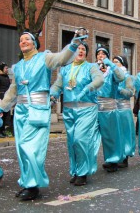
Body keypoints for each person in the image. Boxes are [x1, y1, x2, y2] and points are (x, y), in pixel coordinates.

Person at [0, 31, 81, 200]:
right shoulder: (17, 67)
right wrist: (0, 109)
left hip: (38, 110)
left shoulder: (44, 58)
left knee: (30, 148)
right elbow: (13, 92)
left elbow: (62, 58)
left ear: (34, 43)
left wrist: (74, 44)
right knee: (22, 149)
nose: (23, 41)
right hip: (20, 112)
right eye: (20, 40)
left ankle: (33, 185)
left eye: (27, 39)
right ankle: (28, 183)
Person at [51, 41, 103, 186]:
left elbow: (100, 79)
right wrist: (53, 94)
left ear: (86, 53)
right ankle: (75, 170)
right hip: (69, 109)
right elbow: (58, 85)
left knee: (80, 139)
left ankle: (83, 172)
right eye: (78, 49)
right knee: (72, 141)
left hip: (87, 108)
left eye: (83, 49)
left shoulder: (91, 67)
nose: (80, 51)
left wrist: (88, 88)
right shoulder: (65, 70)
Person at [96, 46, 125, 172]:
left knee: (110, 135)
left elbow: (121, 77)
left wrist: (111, 65)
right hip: (93, 106)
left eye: (104, 54)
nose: (100, 55)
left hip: (108, 105)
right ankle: (86, 164)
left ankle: (113, 159)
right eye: (98, 53)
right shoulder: (93, 69)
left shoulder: (113, 70)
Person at [113, 55, 135, 167]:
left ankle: (125, 156)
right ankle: (115, 156)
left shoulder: (127, 77)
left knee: (125, 132)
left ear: (123, 64)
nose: (114, 63)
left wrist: (120, 89)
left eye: (116, 62)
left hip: (123, 108)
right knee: (114, 134)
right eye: (113, 62)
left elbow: (130, 93)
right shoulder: (110, 76)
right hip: (112, 109)